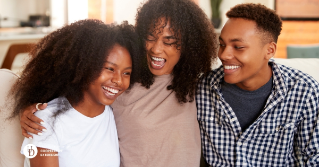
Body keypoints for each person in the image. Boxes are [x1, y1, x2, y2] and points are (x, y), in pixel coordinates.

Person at [18, 0, 218, 166]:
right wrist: (34, 106)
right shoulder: (122, 86)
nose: (156, 50)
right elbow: (76, 91)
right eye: (150, 37)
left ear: (190, 44)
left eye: (169, 41)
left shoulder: (198, 86)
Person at [197, 3, 319, 166]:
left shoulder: (305, 92)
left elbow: (313, 159)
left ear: (269, 50)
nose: (224, 55)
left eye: (238, 47)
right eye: (222, 44)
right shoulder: (201, 90)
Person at [10, 19, 140, 167]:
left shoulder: (112, 113)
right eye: (109, 68)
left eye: (127, 73)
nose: (118, 80)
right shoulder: (44, 121)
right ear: (84, 65)